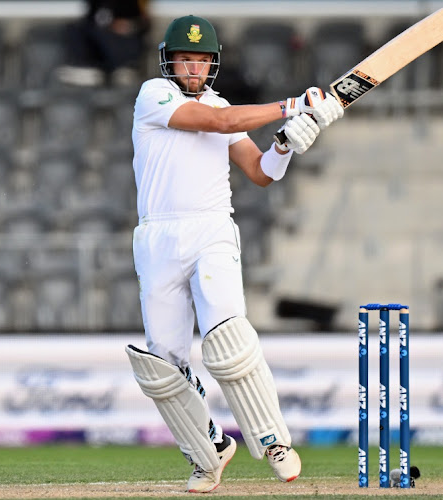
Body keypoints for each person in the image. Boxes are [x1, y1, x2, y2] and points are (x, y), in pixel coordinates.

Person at [124, 15, 343, 493]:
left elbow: (261, 172)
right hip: (157, 238)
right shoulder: (153, 96)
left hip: (210, 230)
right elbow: (219, 121)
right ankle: (209, 452)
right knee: (163, 365)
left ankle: (273, 441)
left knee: (227, 337)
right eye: (186, 57)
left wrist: (286, 143)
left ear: (213, 63)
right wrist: (291, 106)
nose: (194, 66)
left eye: (202, 59)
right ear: (170, 60)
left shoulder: (224, 105)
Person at [56, 0, 149, 87]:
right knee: (75, 29)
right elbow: (93, 19)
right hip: (99, 45)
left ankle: (127, 68)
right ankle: (87, 68)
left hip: (122, 45)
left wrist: (128, 25)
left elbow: (143, 21)